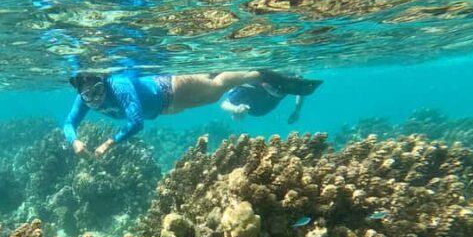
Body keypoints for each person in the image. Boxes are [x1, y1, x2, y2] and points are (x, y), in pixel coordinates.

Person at [63, 68, 320, 156]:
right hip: (166, 107)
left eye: (97, 91)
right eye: (88, 95)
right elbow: (68, 123)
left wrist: (110, 142)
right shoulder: (85, 98)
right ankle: (254, 77)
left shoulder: (118, 85)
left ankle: (262, 75)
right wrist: (74, 141)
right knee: (213, 91)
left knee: (216, 89)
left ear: (103, 82)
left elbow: (137, 122)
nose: (94, 99)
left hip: (171, 88)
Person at [220, 74, 321, 124]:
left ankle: (238, 113)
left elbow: (300, 90)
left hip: (263, 102)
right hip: (261, 103)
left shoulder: (285, 84)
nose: (278, 90)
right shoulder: (248, 90)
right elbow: (225, 103)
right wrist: (236, 110)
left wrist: (297, 110)